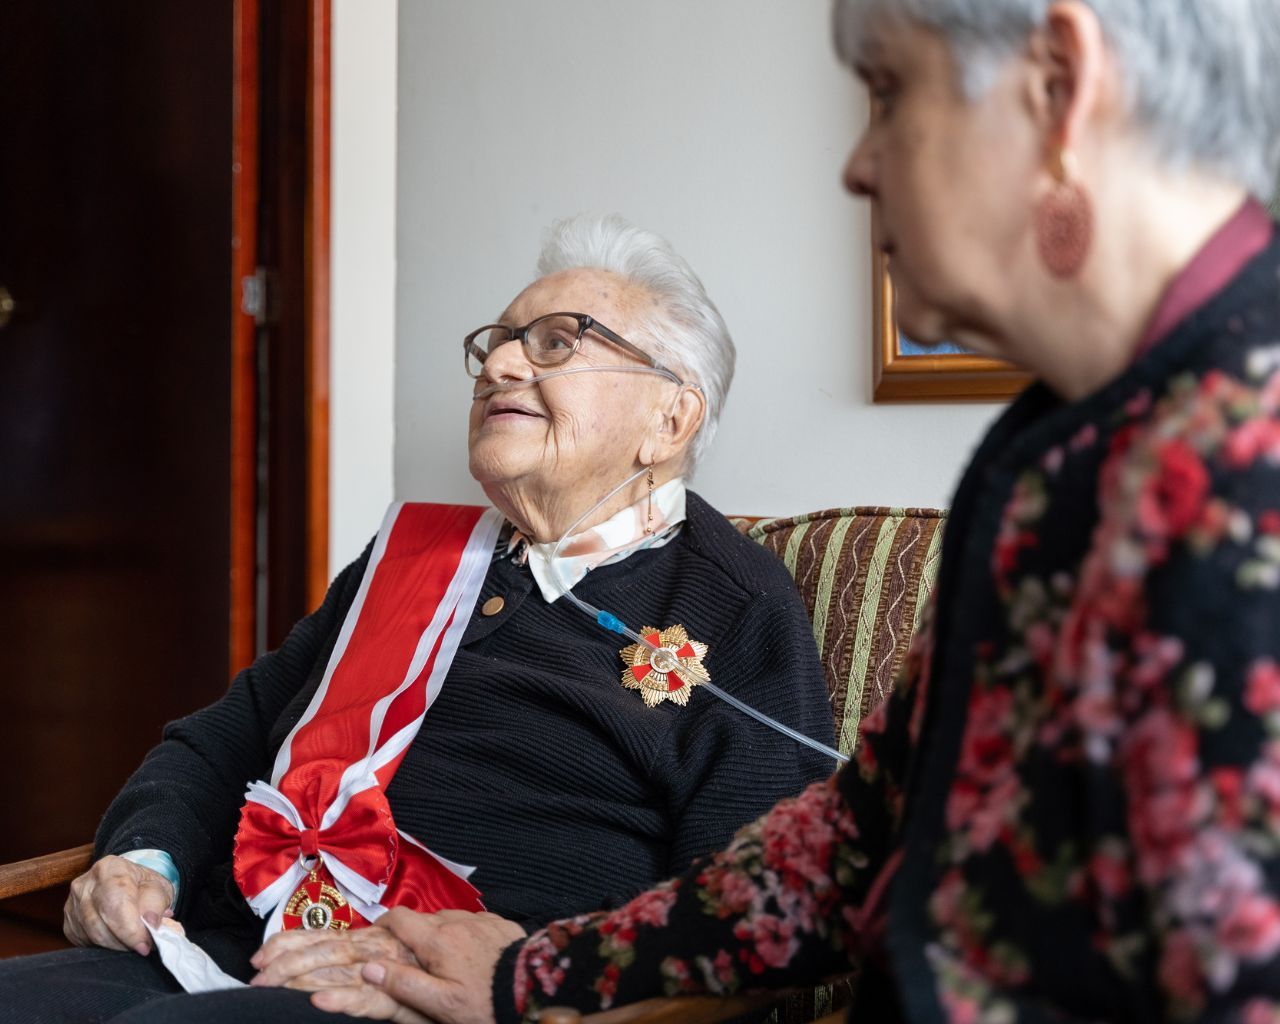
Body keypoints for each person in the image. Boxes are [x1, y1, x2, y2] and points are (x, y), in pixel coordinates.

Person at [274, 1, 1280, 1022]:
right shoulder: (1062, 443)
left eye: (887, 93)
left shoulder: (1236, 467)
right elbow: (854, 839)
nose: (856, 164)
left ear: (1057, 84)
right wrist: (529, 974)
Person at [0, 214, 837, 1022]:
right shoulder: (412, 559)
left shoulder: (738, 606)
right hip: (223, 946)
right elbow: (225, 737)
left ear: (670, 417)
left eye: (554, 341)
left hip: (459, 998)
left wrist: (530, 976)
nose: (502, 364)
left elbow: (752, 904)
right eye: (499, 340)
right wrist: (145, 858)